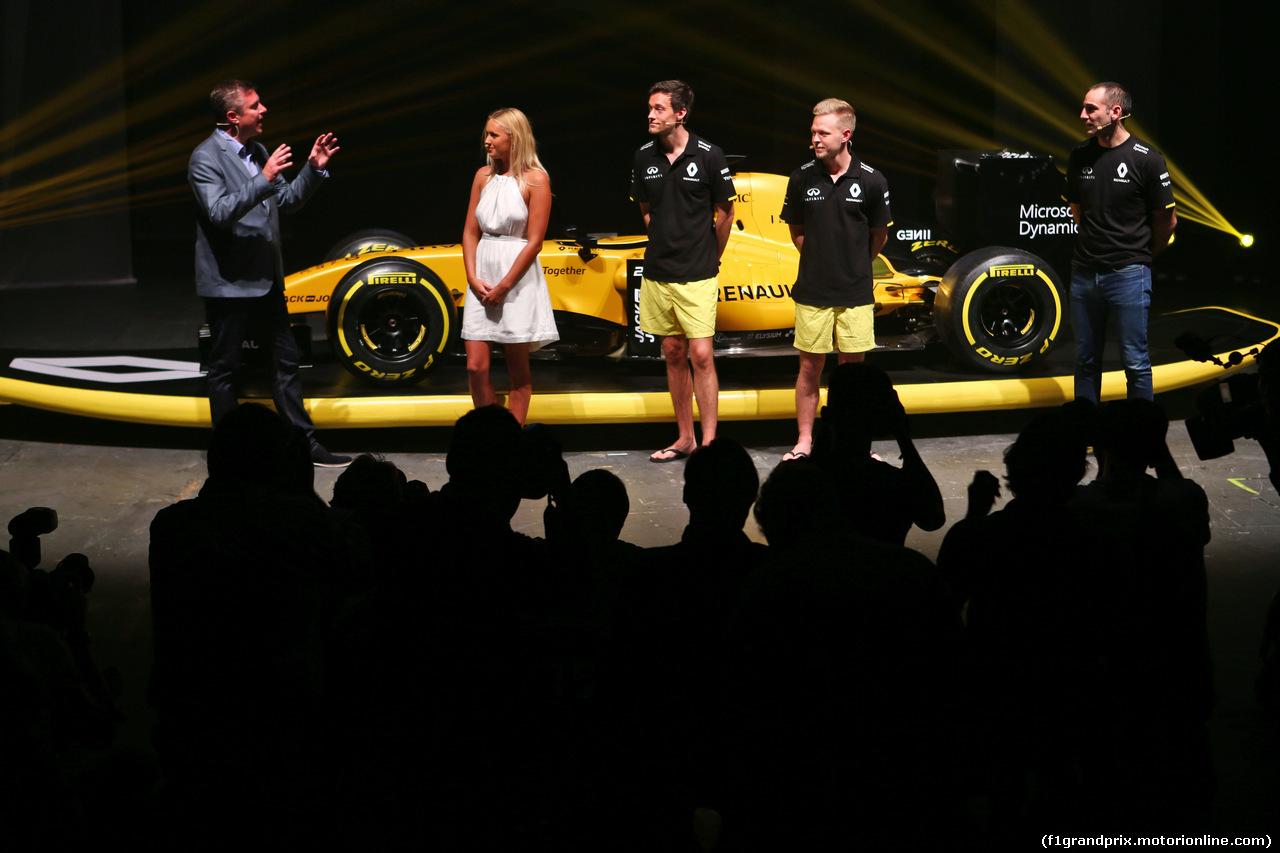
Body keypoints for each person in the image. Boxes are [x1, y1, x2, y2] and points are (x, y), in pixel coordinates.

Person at [189, 79, 350, 467]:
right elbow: (219, 213)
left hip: (267, 282)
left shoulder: (257, 151)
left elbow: (288, 201)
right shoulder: (205, 158)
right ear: (233, 116)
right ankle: (231, 455)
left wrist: (313, 170)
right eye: (255, 106)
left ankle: (303, 444)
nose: (263, 111)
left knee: (285, 364)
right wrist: (262, 178)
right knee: (225, 370)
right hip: (229, 285)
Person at [779, 98, 892, 460]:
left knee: (852, 378)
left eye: (822, 132)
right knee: (810, 368)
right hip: (812, 291)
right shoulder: (801, 177)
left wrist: (852, 264)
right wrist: (820, 260)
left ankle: (855, 444)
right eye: (813, 131)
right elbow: (797, 231)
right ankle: (805, 442)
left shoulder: (872, 180)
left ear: (845, 135)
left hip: (855, 293)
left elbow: (879, 237)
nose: (815, 138)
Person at [631, 80, 735, 462]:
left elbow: (726, 214)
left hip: (699, 271)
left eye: (658, 108)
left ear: (680, 113)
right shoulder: (643, 155)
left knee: (702, 355)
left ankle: (709, 443)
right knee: (673, 352)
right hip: (658, 271)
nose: (650, 115)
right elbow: (645, 209)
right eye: (650, 107)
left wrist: (710, 255)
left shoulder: (709, 155)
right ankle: (685, 437)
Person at [1066, 81, 1177, 404]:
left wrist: (1139, 258)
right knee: (1085, 360)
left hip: (1129, 274)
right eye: (1084, 107)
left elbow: (1167, 220)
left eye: (1091, 109)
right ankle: (1086, 433)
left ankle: (1139, 439)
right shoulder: (1080, 155)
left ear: (1116, 113)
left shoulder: (1147, 159)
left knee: (1135, 363)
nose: (1083, 115)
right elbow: (1077, 209)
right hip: (1084, 274)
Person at [461, 107, 558, 425]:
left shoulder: (536, 180)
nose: (486, 141)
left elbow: (535, 242)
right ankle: (488, 431)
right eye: (486, 134)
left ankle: (512, 440)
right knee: (476, 365)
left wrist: (504, 286)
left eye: (494, 135)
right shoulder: (482, 177)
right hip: (482, 274)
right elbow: (470, 231)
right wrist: (473, 277)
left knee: (518, 367)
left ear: (514, 139)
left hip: (516, 279)